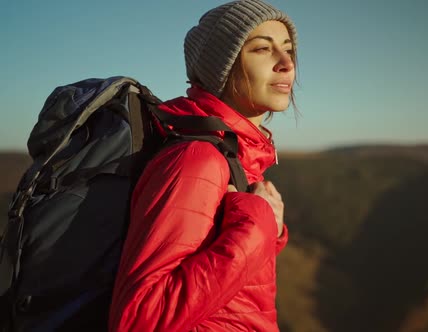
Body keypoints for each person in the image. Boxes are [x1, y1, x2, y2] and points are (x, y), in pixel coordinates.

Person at [108, 1, 297, 331]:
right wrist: (258, 225)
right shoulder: (197, 160)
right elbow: (139, 320)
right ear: (221, 68)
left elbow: (223, 272)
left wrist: (271, 231)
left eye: (289, 50)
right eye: (263, 49)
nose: (286, 64)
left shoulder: (235, 154)